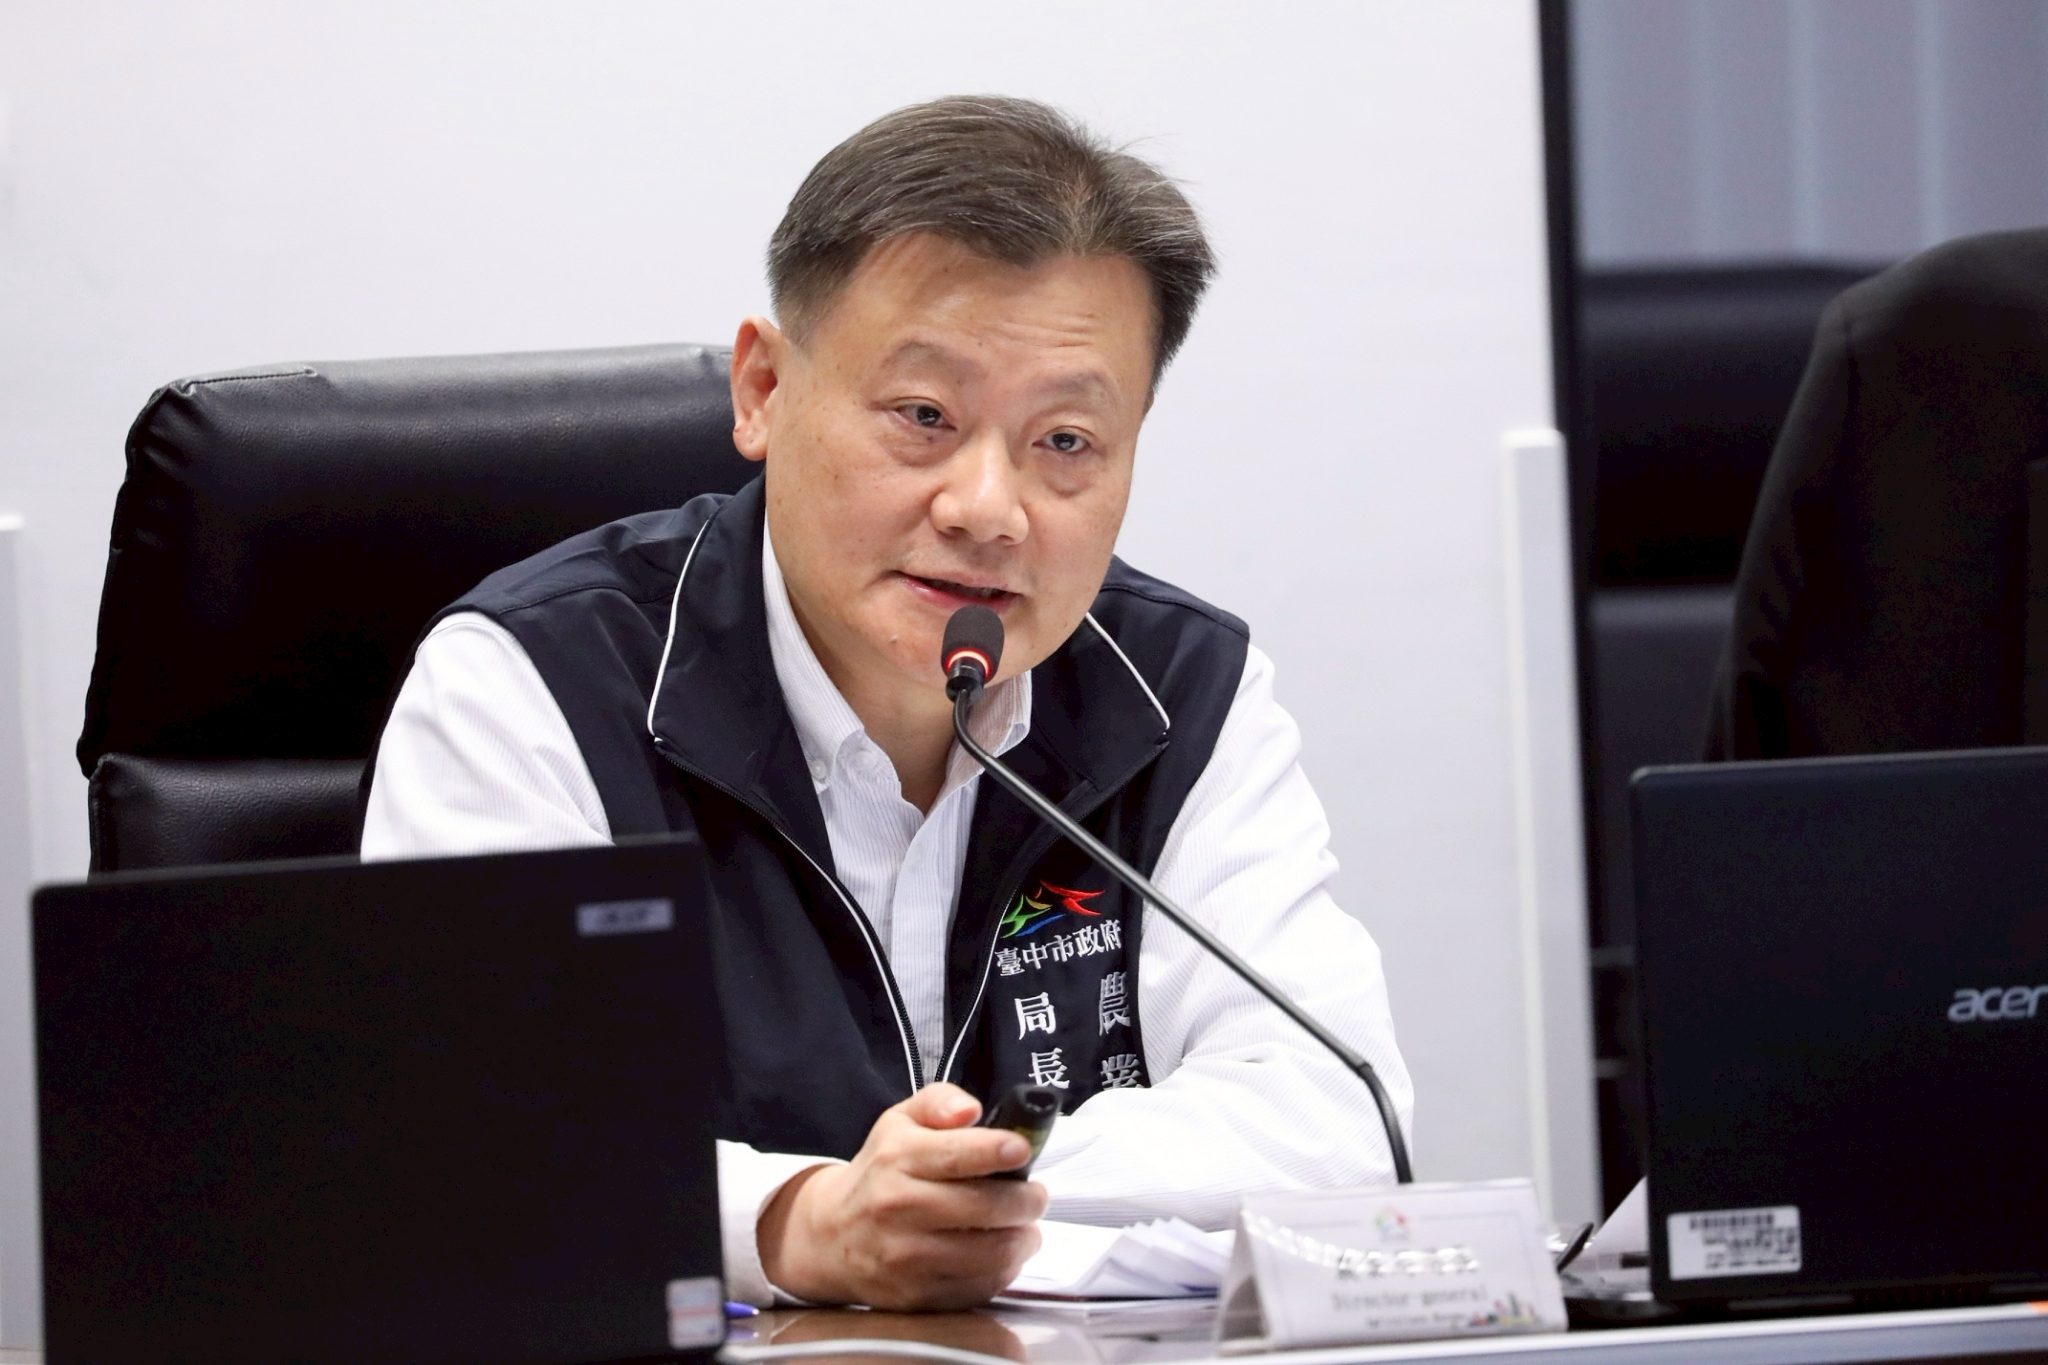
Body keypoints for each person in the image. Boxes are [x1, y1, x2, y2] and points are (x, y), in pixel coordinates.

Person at [361, 95, 1411, 1311]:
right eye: (923, 418)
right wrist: (797, 1223)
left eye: (1066, 441)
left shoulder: (1180, 693)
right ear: (763, 388)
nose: (987, 509)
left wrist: (968, 1191)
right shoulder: (534, 687)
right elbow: (469, 1147)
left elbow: (1338, 1115)